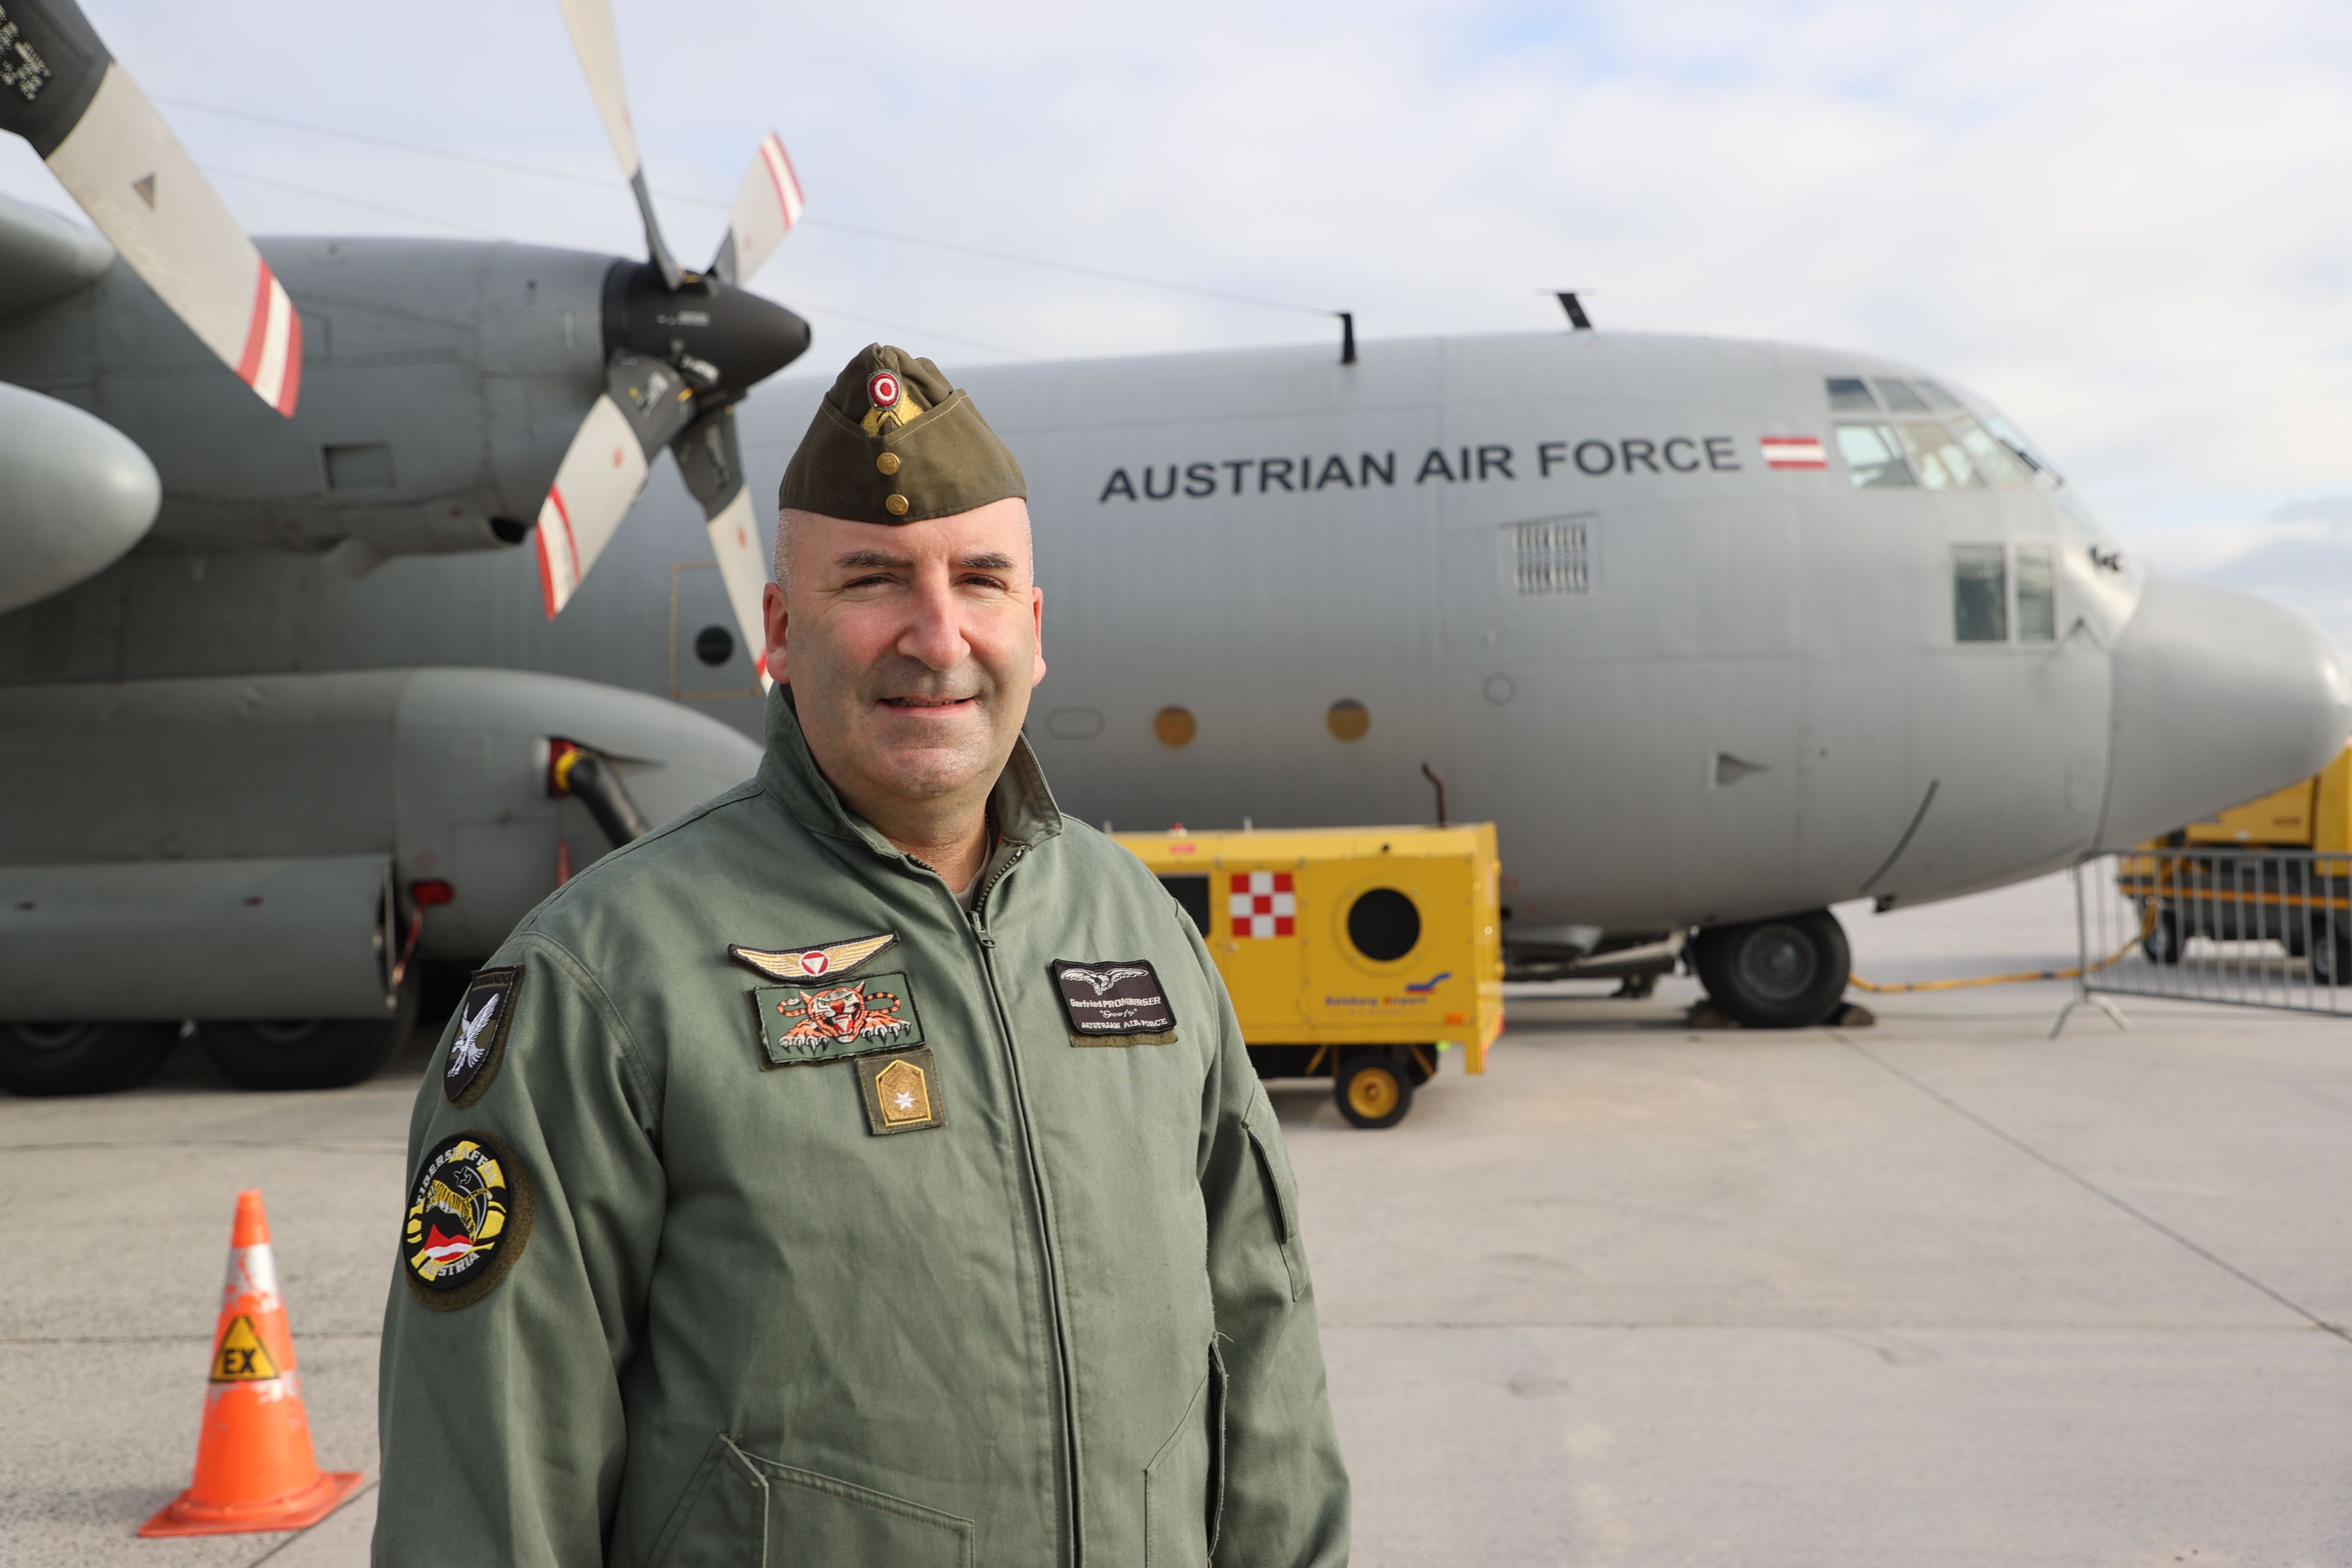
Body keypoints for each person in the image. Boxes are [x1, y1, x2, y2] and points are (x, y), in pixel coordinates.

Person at [374, 344, 1351, 1566]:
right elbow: (489, 1480)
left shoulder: (1134, 927)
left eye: (980, 579)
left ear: (1032, 629)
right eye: (876, 579)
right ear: (782, 626)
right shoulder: (606, 976)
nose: (937, 635)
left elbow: (1261, 1341)